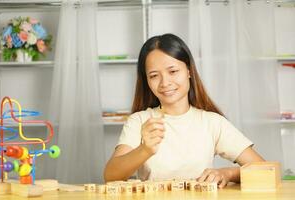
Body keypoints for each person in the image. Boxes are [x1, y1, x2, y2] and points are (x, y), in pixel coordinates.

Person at [104, 33, 264, 188]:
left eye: (173, 71)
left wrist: (228, 174)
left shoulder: (212, 122)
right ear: (147, 80)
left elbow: (263, 169)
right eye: (154, 75)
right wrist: (144, 150)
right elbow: (111, 176)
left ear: (189, 71)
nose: (165, 82)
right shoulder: (139, 121)